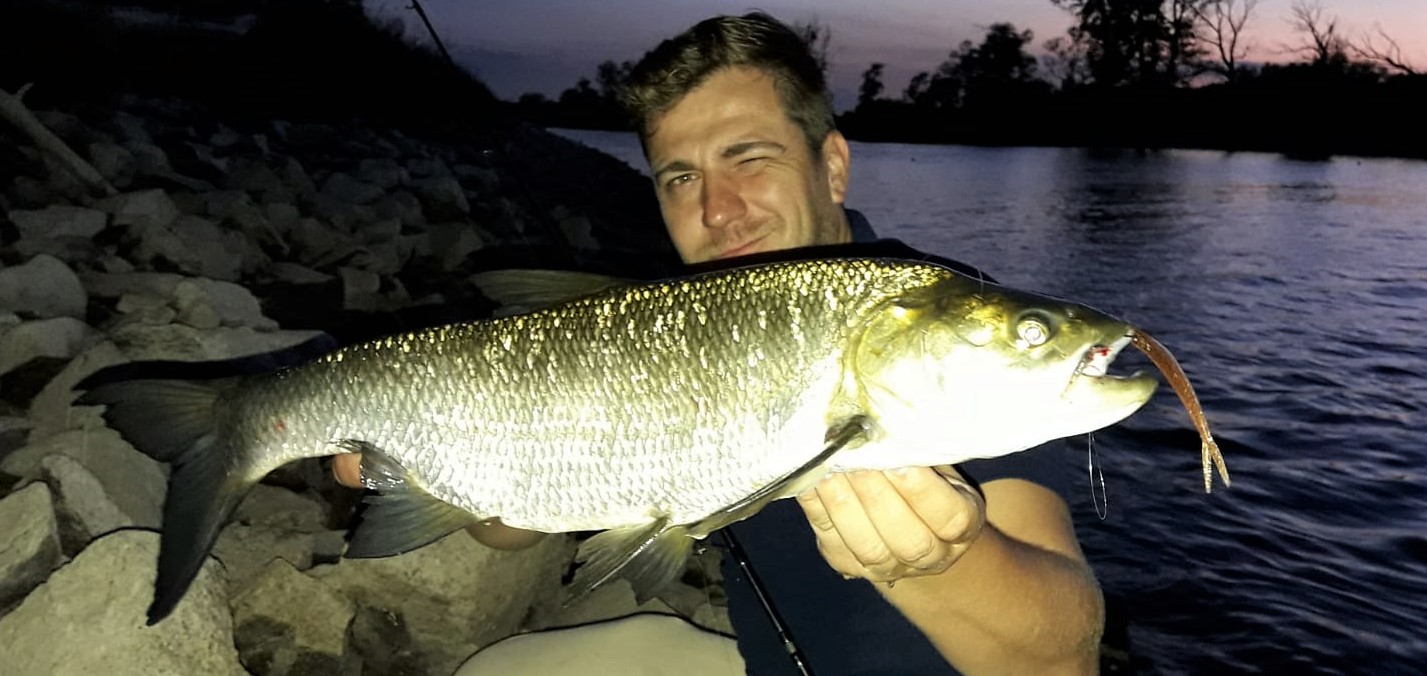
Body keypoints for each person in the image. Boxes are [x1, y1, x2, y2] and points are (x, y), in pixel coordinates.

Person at [337, 11, 1105, 675]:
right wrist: (425, 463)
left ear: (832, 166)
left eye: (749, 158)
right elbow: (505, 525)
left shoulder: (948, 324)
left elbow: (1061, 656)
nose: (718, 210)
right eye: (680, 177)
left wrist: (946, 562)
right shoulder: (674, 322)